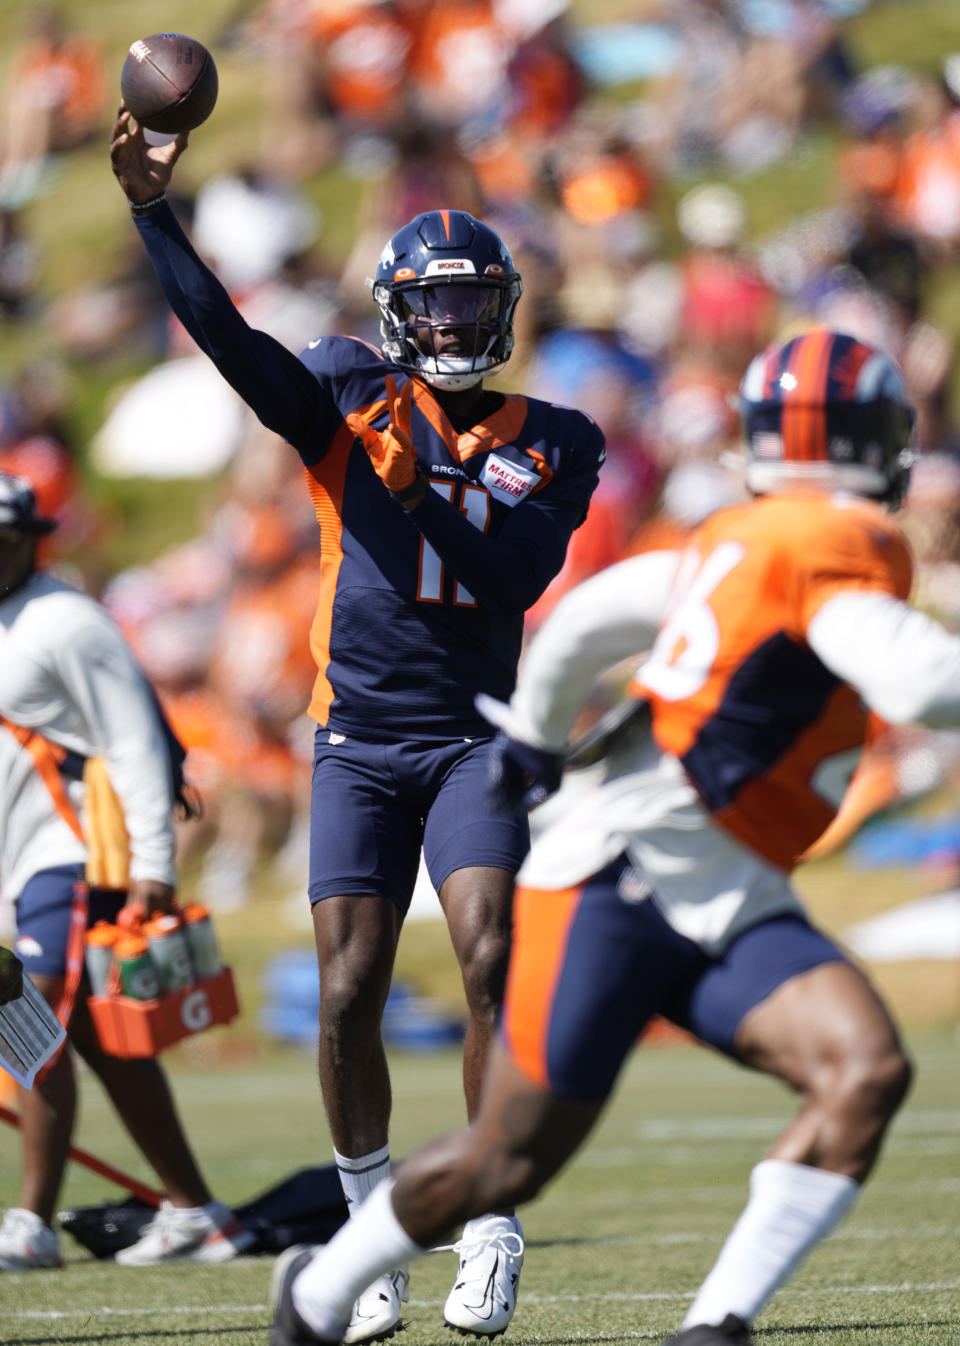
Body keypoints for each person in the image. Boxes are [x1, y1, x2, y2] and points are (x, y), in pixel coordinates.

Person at [265, 327, 960, 1346]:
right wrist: (534, 742)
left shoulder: (741, 534)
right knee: (508, 1156)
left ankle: (713, 1325)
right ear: (875, 441)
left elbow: (598, 610)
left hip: (726, 885)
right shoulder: (837, 551)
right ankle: (318, 1294)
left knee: (865, 1068)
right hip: (623, 883)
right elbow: (915, 678)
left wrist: (535, 738)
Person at [110, 107, 604, 1340]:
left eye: (470, 302)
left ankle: (489, 1220)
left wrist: (413, 490)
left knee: (489, 953)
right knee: (345, 993)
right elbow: (228, 338)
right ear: (395, 312)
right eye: (431, 305)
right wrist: (149, 211)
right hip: (360, 737)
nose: (451, 325)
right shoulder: (346, 392)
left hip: (479, 734)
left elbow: (510, 579)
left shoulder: (557, 439)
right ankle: (372, 1222)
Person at [0, 470, 252, 1271]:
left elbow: (135, 738)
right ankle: (196, 1211)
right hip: (26, 864)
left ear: (28, 544)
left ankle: (30, 1224)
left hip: (75, 857)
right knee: (104, 1044)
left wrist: (152, 862)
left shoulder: (63, 621)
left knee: (27, 1016)